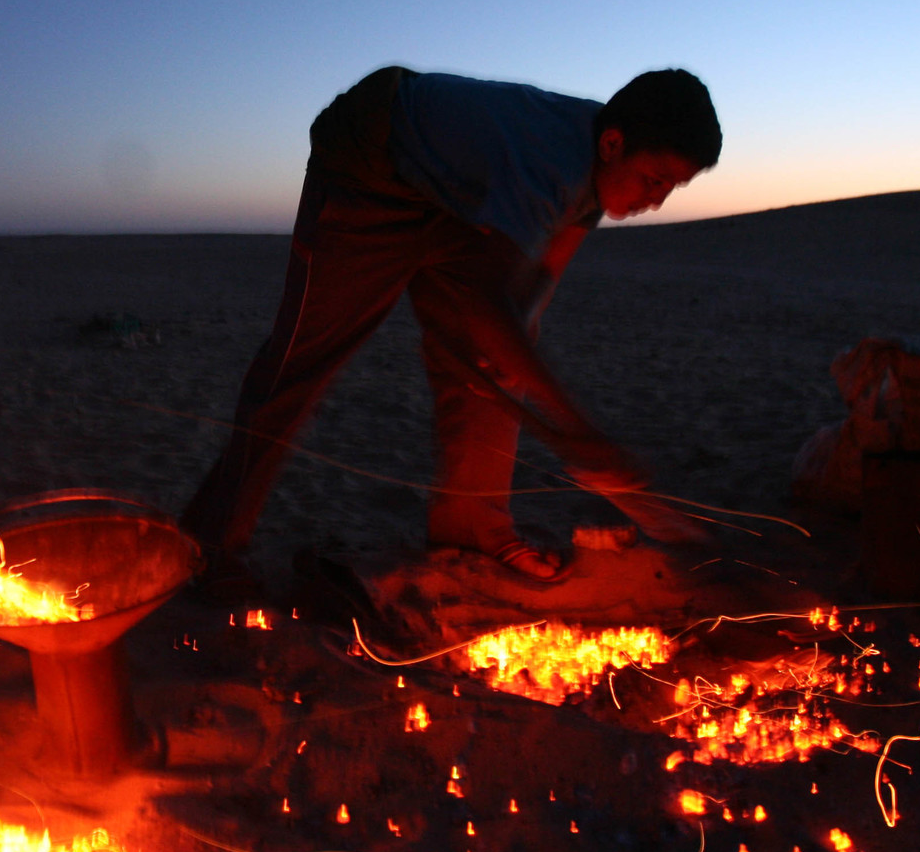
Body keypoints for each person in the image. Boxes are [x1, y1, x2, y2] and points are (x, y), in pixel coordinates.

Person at [181, 66, 721, 594]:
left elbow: (531, 289)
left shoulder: (594, 178)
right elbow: (487, 306)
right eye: (654, 180)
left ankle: (473, 530)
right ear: (612, 143)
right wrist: (580, 429)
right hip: (369, 169)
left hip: (455, 199)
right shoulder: (551, 165)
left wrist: (517, 359)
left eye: (671, 187)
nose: (656, 200)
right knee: (305, 361)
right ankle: (208, 546)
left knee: (499, 357)